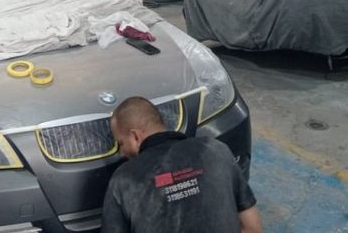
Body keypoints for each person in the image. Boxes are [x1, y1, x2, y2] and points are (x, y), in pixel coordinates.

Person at [102, 97, 262, 233]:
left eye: (121, 144)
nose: (121, 153)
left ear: (135, 136)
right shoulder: (216, 150)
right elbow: (252, 228)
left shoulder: (122, 179)